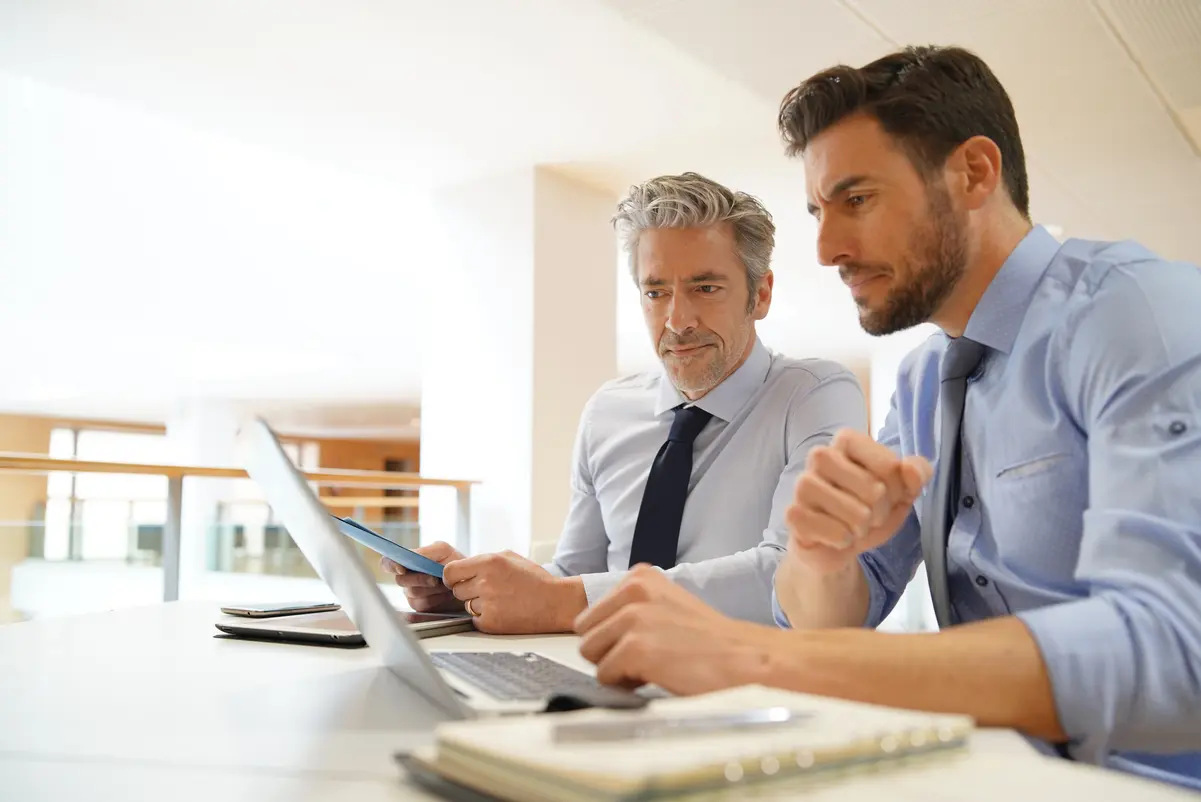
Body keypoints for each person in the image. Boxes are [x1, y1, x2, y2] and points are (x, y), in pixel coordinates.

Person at [573, 46, 1201, 790]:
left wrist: (752, 659)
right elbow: (831, 614)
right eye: (818, 211)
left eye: (857, 199)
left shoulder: (1139, 314)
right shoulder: (925, 381)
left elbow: (1177, 647)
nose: (826, 248)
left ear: (974, 173)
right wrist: (820, 557)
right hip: (988, 772)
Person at [383, 172, 866, 634]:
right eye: (656, 292)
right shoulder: (607, 412)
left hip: (745, 678)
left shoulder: (815, 395)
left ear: (760, 295)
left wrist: (559, 599)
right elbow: (576, 575)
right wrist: (473, 593)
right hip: (598, 666)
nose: (677, 321)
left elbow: (796, 575)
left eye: (705, 288)